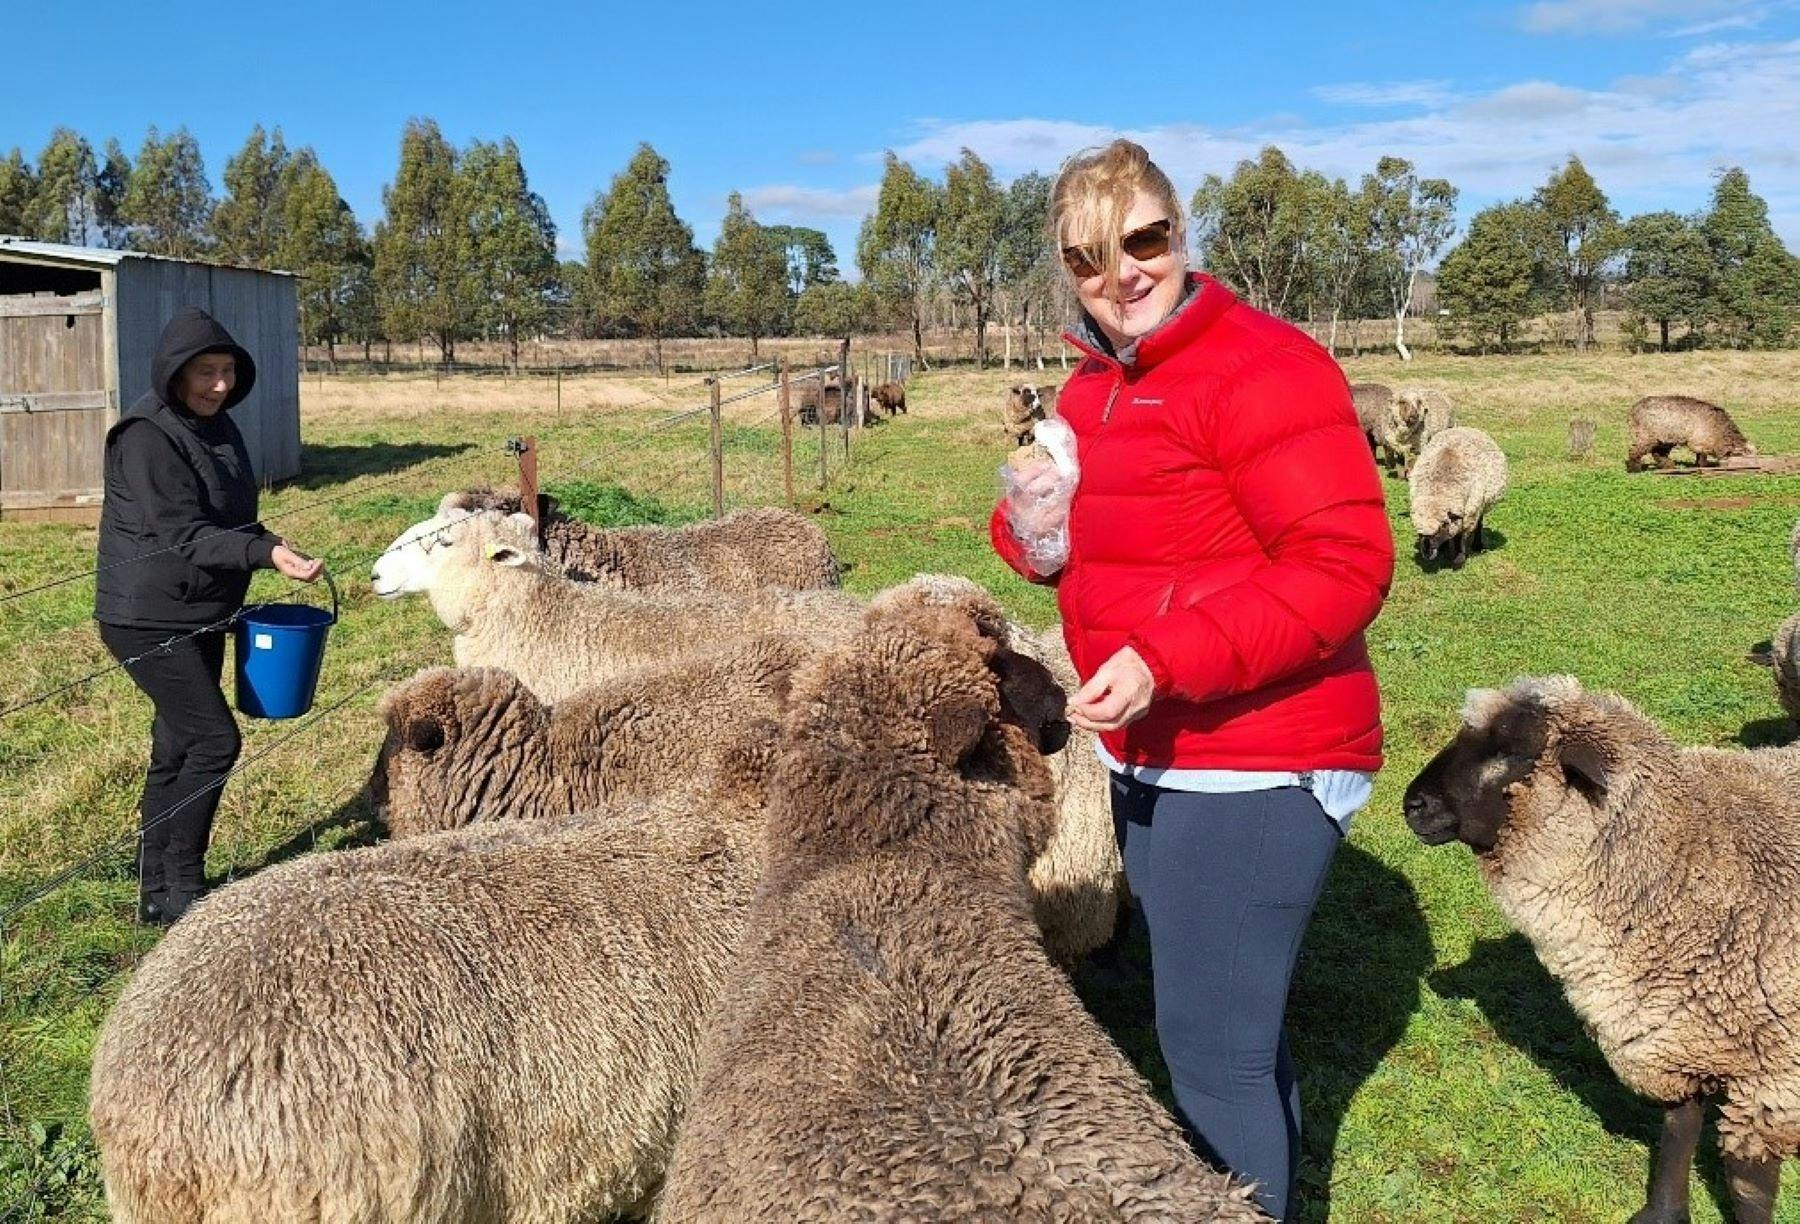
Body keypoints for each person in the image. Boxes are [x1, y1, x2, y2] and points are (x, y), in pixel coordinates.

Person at [990, 141, 1394, 1220]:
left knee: (1209, 1050)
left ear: (1180, 232)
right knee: (1230, 1038)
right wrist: (1031, 526)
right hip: (1156, 746)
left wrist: (1161, 659)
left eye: (1143, 240)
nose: (1120, 274)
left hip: (1258, 754)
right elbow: (1116, 549)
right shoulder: (1097, 386)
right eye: (1087, 257)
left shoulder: (1264, 367)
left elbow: (1344, 565)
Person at [94, 306, 323, 926]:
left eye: (227, 371)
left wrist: (270, 541)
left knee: (176, 745)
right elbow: (185, 534)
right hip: (146, 616)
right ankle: (186, 884)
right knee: (214, 741)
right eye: (205, 372)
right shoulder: (145, 436)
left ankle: (155, 888)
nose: (219, 385)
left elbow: (232, 518)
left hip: (202, 608)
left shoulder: (217, 429)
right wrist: (264, 554)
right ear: (174, 372)